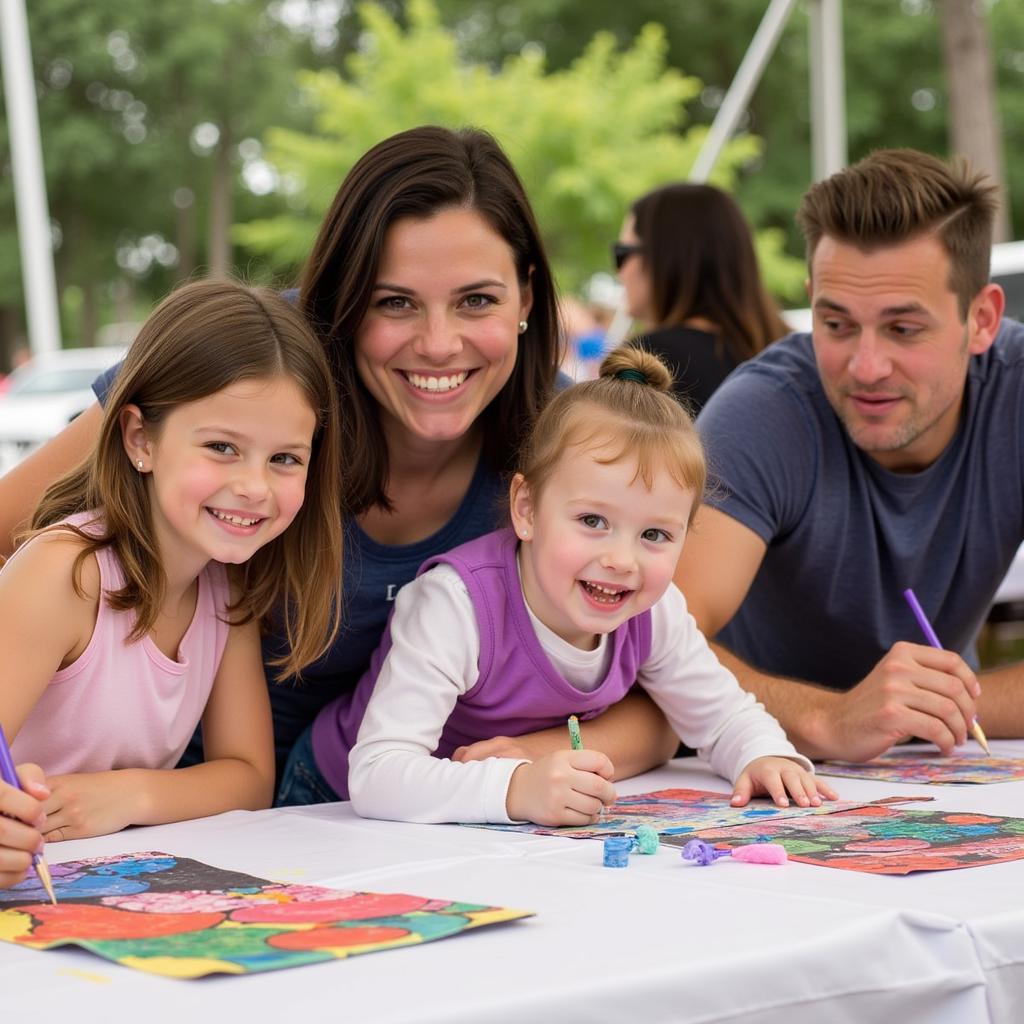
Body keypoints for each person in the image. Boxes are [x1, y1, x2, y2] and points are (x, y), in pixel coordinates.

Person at [0, 126, 677, 789]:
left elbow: (671, 687)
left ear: (526, 297)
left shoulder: (573, 441)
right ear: (345, 303)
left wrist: (531, 755)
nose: (439, 344)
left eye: (476, 301)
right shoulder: (250, 367)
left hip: (414, 809)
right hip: (170, 809)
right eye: (396, 303)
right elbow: (16, 529)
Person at [279, 347, 834, 823]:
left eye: (656, 534)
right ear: (526, 509)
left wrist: (766, 756)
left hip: (479, 816)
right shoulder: (457, 603)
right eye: (593, 521)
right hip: (331, 798)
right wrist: (518, 788)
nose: (621, 560)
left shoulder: (654, 610)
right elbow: (378, 773)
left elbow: (721, 713)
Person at [676, 148, 1024, 764]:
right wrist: (827, 718)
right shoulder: (763, 413)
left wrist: (944, 708)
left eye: (903, 329)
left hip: (947, 761)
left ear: (982, 320)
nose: (864, 368)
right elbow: (655, 635)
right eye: (836, 325)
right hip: (759, 761)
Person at [0, 278, 343, 887]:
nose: (255, 486)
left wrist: (126, 796)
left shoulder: (224, 588)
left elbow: (247, 776)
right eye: (221, 447)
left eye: (285, 458)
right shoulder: (65, 573)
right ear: (141, 439)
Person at [615, 182, 788, 412]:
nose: (619, 271)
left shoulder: (648, 360)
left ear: (665, 259)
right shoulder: (786, 353)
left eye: (621, 254)